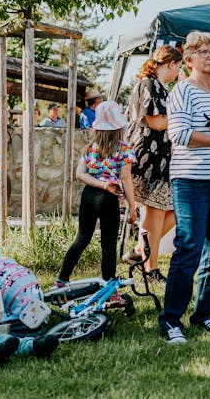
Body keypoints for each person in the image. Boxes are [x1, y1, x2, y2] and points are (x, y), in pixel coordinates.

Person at [159, 31, 210, 344]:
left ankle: (203, 314)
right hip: (192, 179)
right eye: (203, 51)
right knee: (189, 247)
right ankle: (170, 320)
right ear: (189, 58)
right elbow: (178, 135)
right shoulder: (181, 91)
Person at [56, 101, 137, 285]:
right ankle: (109, 285)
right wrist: (132, 206)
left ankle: (62, 278)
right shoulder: (124, 149)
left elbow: (80, 174)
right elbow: (125, 178)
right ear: (119, 127)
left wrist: (100, 184)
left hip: (89, 195)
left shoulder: (90, 148)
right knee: (108, 245)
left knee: (83, 237)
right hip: (108, 199)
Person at [123, 45, 183, 283]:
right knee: (157, 213)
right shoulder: (151, 84)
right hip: (150, 156)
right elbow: (156, 122)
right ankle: (150, 267)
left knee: (169, 211)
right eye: (178, 67)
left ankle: (141, 252)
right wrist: (182, 114)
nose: (178, 72)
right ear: (171, 64)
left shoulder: (153, 84)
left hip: (156, 156)